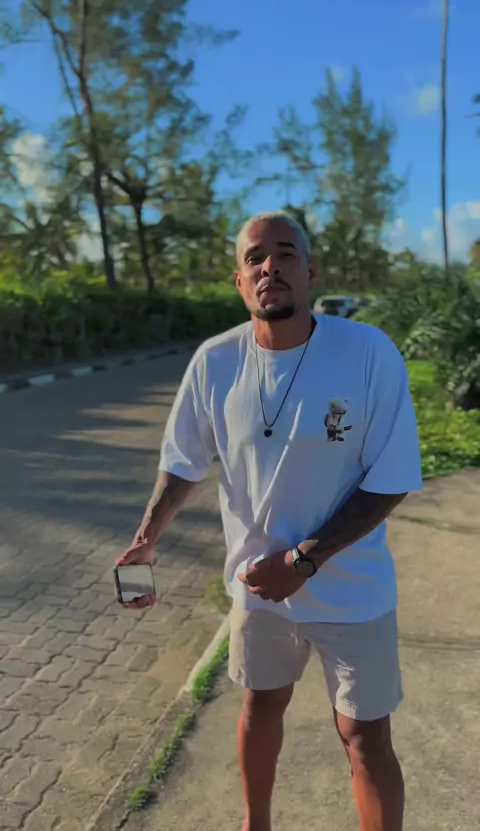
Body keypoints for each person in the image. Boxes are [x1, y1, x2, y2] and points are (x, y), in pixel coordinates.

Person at [116, 211, 423, 831]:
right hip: (258, 590)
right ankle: (255, 824)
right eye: (254, 258)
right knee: (260, 708)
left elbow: (390, 477)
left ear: (310, 272)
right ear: (239, 280)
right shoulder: (214, 361)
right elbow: (184, 461)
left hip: (352, 592)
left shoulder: (367, 352)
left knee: (365, 737)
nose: (269, 267)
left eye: (285, 254)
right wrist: (147, 538)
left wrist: (304, 561)